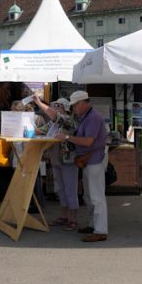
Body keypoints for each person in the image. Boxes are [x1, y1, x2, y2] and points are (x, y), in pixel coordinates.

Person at [62, 91, 111, 243]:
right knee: (90, 196)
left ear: (83, 103)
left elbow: (88, 141)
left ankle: (100, 230)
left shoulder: (93, 117)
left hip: (94, 160)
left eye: (75, 105)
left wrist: (68, 137)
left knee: (96, 197)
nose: (74, 108)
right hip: (89, 160)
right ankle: (93, 225)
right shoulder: (87, 116)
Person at [34, 97, 80, 230]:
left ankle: (73, 219)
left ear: (65, 108)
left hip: (68, 160)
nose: (54, 109)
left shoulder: (70, 120)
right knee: (60, 190)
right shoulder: (53, 124)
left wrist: (38, 103)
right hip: (55, 160)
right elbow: (39, 131)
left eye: (58, 106)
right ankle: (64, 217)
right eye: (54, 106)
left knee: (70, 190)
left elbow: (55, 116)